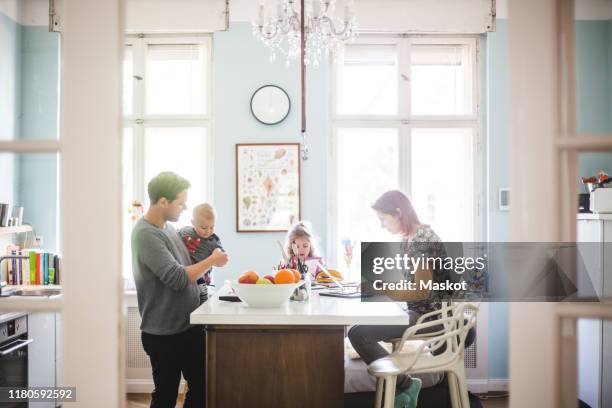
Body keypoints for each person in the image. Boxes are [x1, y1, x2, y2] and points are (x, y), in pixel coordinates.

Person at [132, 171, 229, 408]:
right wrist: (212, 260)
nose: (185, 208)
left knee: (202, 386)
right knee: (165, 395)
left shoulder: (169, 228)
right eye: (181, 203)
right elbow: (176, 277)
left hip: (187, 327)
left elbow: (188, 267)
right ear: (163, 202)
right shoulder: (145, 234)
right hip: (164, 333)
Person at [348, 190, 448, 408]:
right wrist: (378, 286)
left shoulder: (423, 240)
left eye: (383, 219)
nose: (382, 225)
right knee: (357, 328)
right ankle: (402, 386)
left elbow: (421, 292)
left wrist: (382, 287)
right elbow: (412, 286)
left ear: (398, 213)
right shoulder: (408, 240)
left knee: (358, 333)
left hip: (432, 316)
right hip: (419, 311)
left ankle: (404, 385)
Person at [179, 203, 223, 304]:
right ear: (193, 222)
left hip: (202, 274)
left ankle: (203, 303)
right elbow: (173, 239)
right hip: (186, 272)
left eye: (212, 227)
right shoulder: (184, 232)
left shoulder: (213, 240)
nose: (208, 231)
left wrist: (218, 254)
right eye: (204, 227)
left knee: (202, 292)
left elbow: (220, 255)